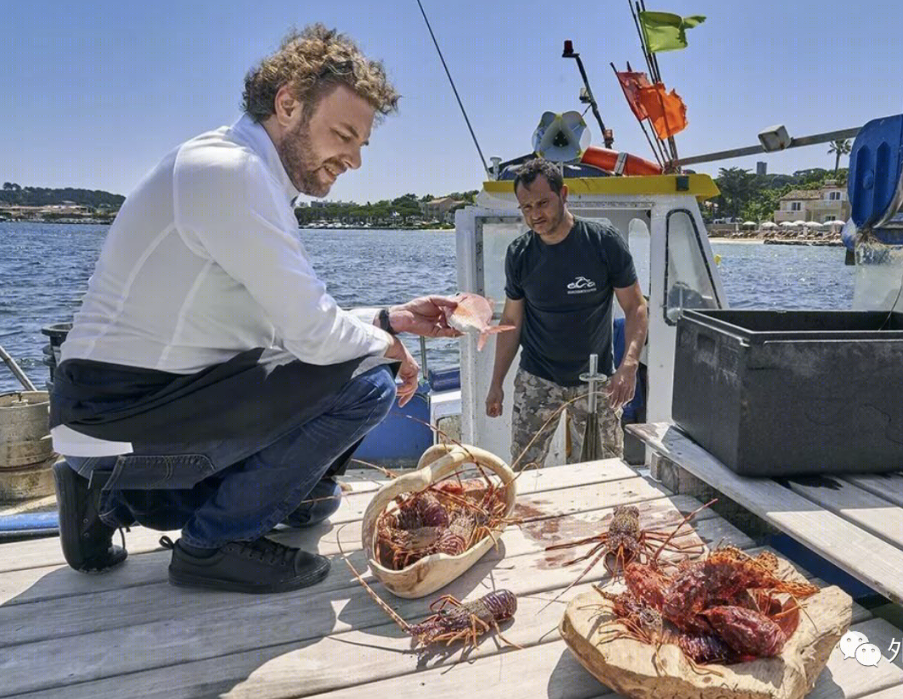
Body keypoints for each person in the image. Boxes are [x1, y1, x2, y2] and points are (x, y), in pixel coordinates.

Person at [48, 25, 461, 594]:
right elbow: (314, 337)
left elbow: (285, 325)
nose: (356, 160)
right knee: (371, 383)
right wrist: (388, 348)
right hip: (126, 406)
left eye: (363, 143)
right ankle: (212, 546)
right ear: (287, 103)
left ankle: (106, 501)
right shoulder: (229, 174)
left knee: (314, 504)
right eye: (345, 134)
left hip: (117, 408)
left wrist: (389, 319)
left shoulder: (244, 172)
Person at [485, 159, 648, 469]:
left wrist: (628, 366)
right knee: (523, 469)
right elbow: (510, 322)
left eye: (543, 203)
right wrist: (496, 384)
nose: (535, 214)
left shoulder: (603, 243)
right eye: (526, 207)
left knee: (605, 470)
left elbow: (636, 307)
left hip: (594, 377)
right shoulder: (519, 254)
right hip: (537, 376)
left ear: (564, 194)